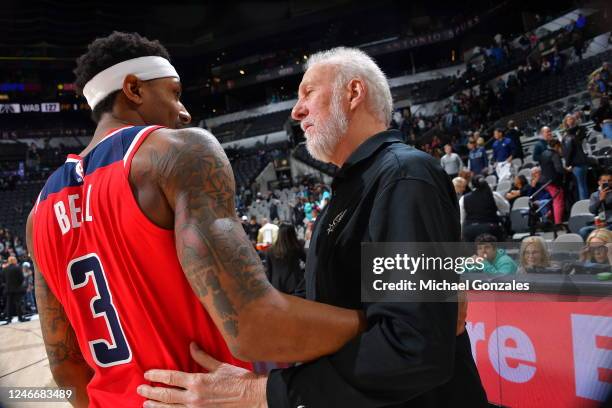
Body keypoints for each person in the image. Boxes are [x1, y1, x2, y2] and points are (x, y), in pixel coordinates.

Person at [28, 32, 365, 407]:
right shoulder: (176, 153)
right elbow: (252, 323)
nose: (184, 111)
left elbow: (66, 369)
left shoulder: (38, 212)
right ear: (134, 89)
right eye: (174, 93)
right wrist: (386, 326)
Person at [139, 46, 487, 407]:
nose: (295, 110)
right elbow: (327, 308)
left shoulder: (404, 175)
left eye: (308, 93)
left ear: (353, 93)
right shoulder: (351, 188)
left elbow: (415, 346)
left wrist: (262, 393)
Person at [264, 223, 306, 296]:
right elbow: (308, 261)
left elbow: (268, 271)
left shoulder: (270, 250)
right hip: (295, 284)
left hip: (276, 285)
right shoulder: (296, 248)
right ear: (292, 234)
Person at [460, 176, 505, 242]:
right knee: (499, 250)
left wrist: (461, 233)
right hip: (490, 228)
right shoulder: (493, 195)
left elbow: (461, 219)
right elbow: (505, 209)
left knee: (471, 252)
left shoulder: (463, 198)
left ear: (472, 185)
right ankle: (502, 252)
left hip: (470, 230)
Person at [562, 114, 589, 200]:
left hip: (577, 164)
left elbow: (569, 152)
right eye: (568, 119)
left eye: (571, 119)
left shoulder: (569, 136)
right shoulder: (572, 136)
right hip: (582, 162)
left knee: (581, 187)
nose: (570, 121)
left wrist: (567, 164)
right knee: (583, 185)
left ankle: (584, 207)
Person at [579, 169, 612, 240]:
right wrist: (600, 200)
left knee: (606, 230)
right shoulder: (594, 195)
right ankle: (590, 250)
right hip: (599, 223)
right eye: (604, 181)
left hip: (610, 223)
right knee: (583, 231)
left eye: (609, 181)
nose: (607, 182)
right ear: (599, 182)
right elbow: (592, 210)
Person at [539, 139, 566, 225]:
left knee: (552, 201)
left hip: (544, 181)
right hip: (553, 181)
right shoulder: (554, 154)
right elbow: (558, 169)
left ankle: (549, 217)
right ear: (557, 146)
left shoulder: (543, 153)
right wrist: (566, 170)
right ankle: (558, 222)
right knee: (558, 201)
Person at [1, 256, 28, 324]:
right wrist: (17, 284)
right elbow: (21, 278)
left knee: (9, 305)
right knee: (18, 304)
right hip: (17, 288)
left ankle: (9, 320)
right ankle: (20, 318)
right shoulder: (18, 268)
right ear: (14, 260)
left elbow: (3, 279)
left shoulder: (5, 269)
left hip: (9, 289)